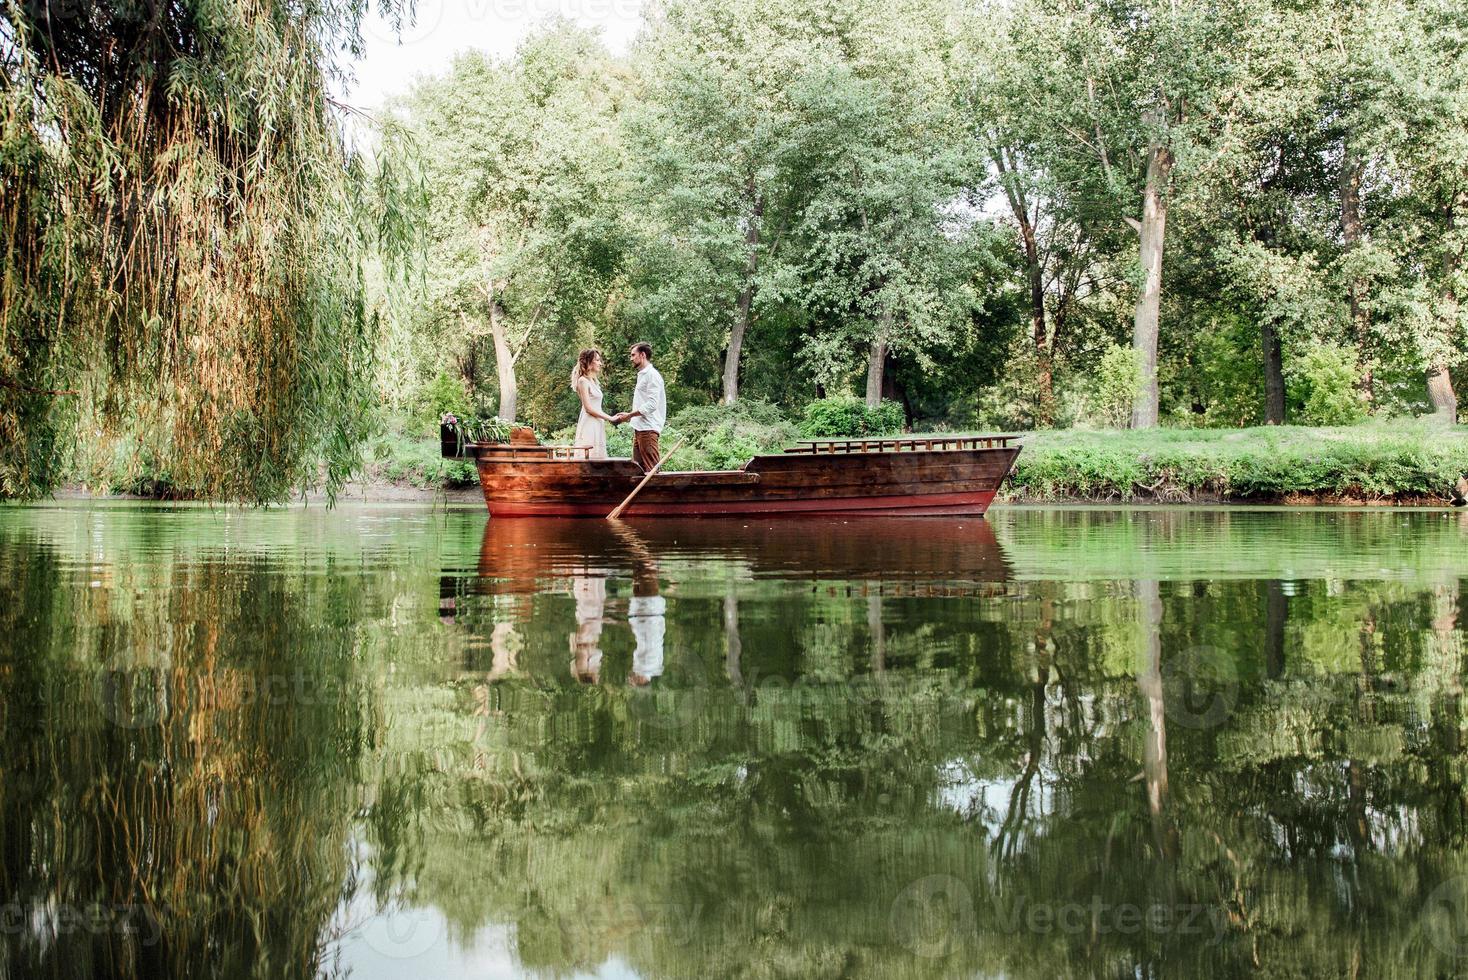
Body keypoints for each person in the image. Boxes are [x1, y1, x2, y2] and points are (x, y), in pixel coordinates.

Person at [613, 342, 666, 471]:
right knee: (638, 470)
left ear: (642, 355)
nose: (631, 358)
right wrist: (630, 415)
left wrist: (629, 415)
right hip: (639, 428)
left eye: (633, 355)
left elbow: (652, 405)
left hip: (648, 429)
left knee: (652, 472)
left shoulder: (652, 375)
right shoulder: (642, 374)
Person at [571, 348, 616, 460]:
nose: (600, 363)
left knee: (598, 458)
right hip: (589, 423)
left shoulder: (594, 382)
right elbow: (588, 408)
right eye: (597, 360)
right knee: (589, 456)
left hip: (597, 422)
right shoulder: (582, 381)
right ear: (589, 362)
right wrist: (610, 418)